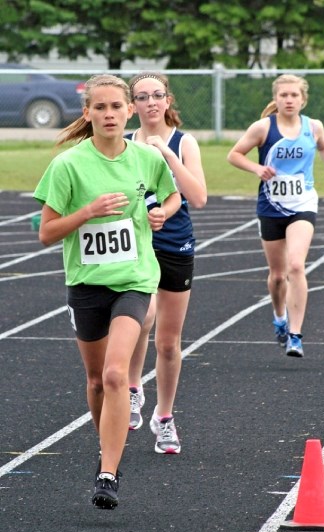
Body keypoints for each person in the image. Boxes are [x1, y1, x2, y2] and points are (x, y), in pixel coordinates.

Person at [33, 74, 181, 509]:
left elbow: (170, 198)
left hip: (134, 280)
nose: (110, 114)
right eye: (101, 107)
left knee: (118, 374)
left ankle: (108, 472)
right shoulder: (68, 165)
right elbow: (46, 233)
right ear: (88, 113)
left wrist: (161, 216)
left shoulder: (146, 159)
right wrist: (87, 212)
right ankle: (109, 443)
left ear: (129, 111)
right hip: (86, 283)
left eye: (117, 106)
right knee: (97, 381)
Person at [227, 74, 324, 358]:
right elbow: (234, 154)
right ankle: (280, 316)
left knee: (296, 266)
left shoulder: (313, 127)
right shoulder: (263, 128)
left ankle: (295, 335)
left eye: (294, 95)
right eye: (283, 95)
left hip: (303, 203)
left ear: (303, 99)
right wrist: (257, 169)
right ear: (276, 99)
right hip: (271, 207)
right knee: (278, 276)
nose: (289, 100)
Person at [125, 71, 207, 453]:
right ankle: (132, 389)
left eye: (158, 95)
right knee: (142, 319)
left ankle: (165, 417)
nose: (151, 102)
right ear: (132, 105)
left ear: (168, 100)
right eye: (143, 97)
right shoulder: (123, 145)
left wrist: (167, 153)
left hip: (175, 244)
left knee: (169, 343)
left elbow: (199, 197)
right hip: (136, 248)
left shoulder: (184, 142)